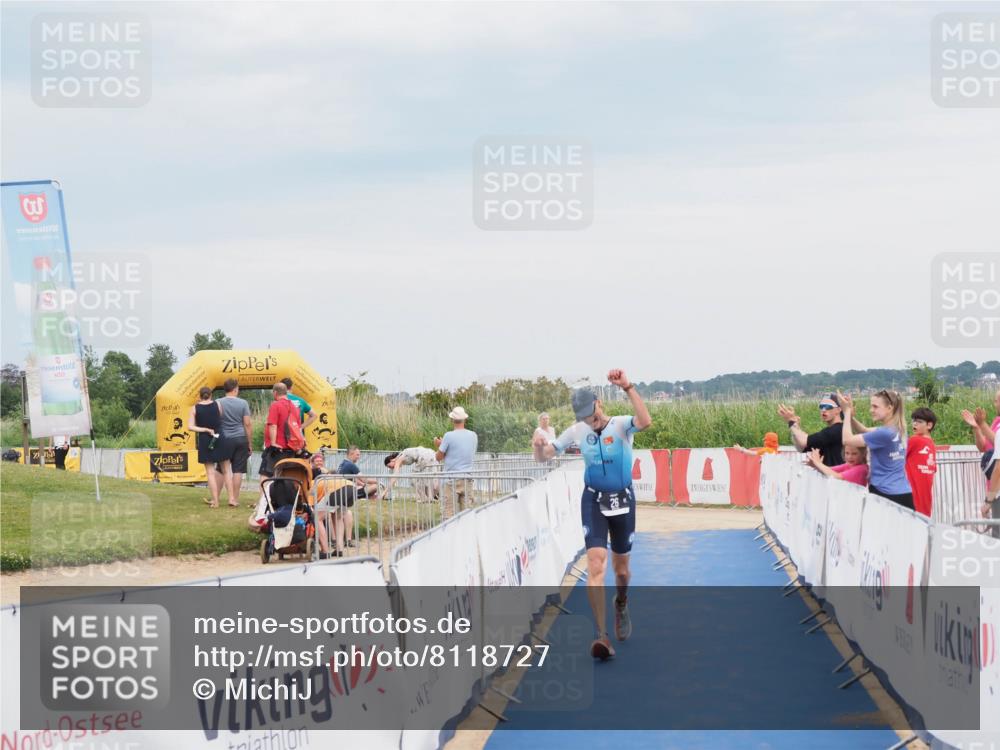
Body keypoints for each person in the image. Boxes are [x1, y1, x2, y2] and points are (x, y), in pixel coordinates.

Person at [533, 369, 652, 661]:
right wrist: (538, 448)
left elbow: (645, 421)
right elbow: (547, 455)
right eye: (585, 417)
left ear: (599, 403)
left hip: (623, 500)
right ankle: (601, 635)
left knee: (621, 571)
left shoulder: (621, 425)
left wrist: (628, 387)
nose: (591, 420)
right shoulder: (577, 431)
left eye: (592, 413)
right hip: (594, 501)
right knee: (596, 565)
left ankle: (621, 603)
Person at [839, 389, 912, 509]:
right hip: (903, 493)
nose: (871, 410)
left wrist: (846, 412)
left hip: (885, 494)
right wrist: (851, 417)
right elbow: (864, 430)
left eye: (875, 407)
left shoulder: (884, 433)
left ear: (889, 408)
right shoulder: (897, 429)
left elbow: (846, 440)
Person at [962, 390, 1000, 535]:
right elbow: (983, 446)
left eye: (997, 400)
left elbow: (998, 464)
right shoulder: (997, 421)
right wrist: (977, 427)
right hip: (994, 488)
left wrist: (988, 501)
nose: (995, 404)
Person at [435, 406, 479, 519]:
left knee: (448, 515)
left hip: (451, 479)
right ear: (465, 419)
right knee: (468, 515)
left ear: (452, 420)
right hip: (467, 479)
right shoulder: (473, 435)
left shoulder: (448, 436)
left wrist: (439, 445)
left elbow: (438, 457)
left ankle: (449, 536)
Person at [778, 394, 845, 466]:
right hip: (832, 475)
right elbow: (801, 447)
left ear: (838, 410)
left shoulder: (836, 430)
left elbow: (803, 442)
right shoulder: (834, 430)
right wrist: (795, 426)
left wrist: (791, 422)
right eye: (821, 406)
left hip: (837, 476)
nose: (823, 410)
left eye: (828, 406)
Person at [312, 452, 355, 558]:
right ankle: (339, 550)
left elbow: (311, 504)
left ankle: (325, 551)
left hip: (336, 489)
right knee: (337, 518)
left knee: (317, 517)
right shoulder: (324, 477)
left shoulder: (313, 483)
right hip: (350, 487)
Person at [217, 378, 252, 507]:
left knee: (221, 469)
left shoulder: (218, 403)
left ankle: (216, 497)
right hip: (240, 438)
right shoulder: (243, 403)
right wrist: (249, 443)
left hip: (224, 439)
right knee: (238, 470)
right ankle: (234, 499)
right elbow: (247, 424)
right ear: (235, 389)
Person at [335, 446, 380, 548]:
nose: (359, 457)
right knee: (375, 487)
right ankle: (346, 541)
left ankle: (345, 541)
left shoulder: (343, 464)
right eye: (357, 454)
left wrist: (363, 485)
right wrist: (378, 481)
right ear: (351, 454)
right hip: (346, 492)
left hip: (340, 492)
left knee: (346, 514)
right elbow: (364, 479)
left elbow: (356, 479)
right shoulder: (350, 465)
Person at [189, 386, 223, 507]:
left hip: (204, 439)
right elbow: (220, 417)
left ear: (199, 395)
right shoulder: (217, 404)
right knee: (225, 468)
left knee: (210, 472)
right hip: (218, 437)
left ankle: (215, 500)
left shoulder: (195, 408)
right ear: (211, 395)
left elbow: (190, 427)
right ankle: (232, 499)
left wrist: (204, 429)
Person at [260, 382, 298, 478]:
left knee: (265, 474)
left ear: (275, 393)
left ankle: (265, 493)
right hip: (290, 448)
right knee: (285, 476)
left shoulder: (276, 405)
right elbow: (297, 427)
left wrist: (273, 443)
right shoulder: (294, 407)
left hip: (277, 448)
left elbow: (273, 425)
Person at [906, 407, 938, 518]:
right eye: (914, 421)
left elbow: (896, 455)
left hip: (912, 498)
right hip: (925, 500)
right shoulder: (931, 444)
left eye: (919, 422)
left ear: (929, 425)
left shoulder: (914, 440)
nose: (915, 424)